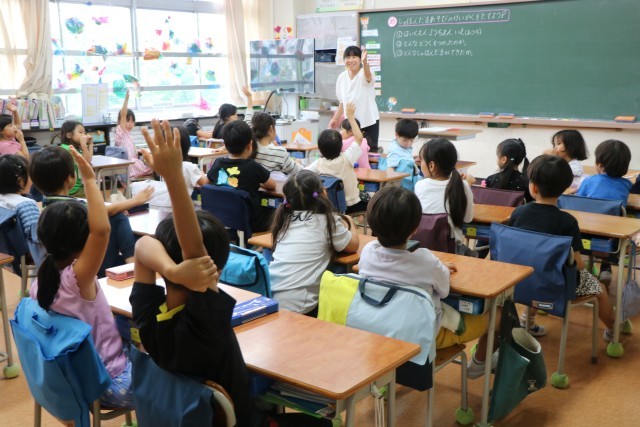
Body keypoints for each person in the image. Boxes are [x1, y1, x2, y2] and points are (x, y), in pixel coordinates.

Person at [130, 120, 331, 427]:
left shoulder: (149, 318)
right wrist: (173, 177)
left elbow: (143, 246)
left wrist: (172, 270)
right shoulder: (204, 322)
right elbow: (193, 249)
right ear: (217, 270)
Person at [29, 146, 133, 408]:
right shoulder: (76, 279)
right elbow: (102, 230)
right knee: (172, 366)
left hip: (67, 378)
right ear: (84, 239)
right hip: (108, 382)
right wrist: (89, 180)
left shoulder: (40, 281)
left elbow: (97, 231)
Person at [358, 186, 487, 351]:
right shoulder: (426, 261)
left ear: (371, 223)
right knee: (496, 315)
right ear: (415, 228)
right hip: (421, 337)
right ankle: (480, 361)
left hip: (378, 329)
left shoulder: (368, 251)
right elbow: (444, 290)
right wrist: (440, 267)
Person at [509, 155, 615, 339]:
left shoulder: (518, 212)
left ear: (533, 187)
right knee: (599, 289)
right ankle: (613, 330)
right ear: (565, 188)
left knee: (539, 267)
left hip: (520, 279)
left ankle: (527, 320)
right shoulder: (567, 221)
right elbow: (579, 265)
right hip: (557, 285)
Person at [29, 146, 153, 276]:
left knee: (123, 239)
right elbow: (103, 211)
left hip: (70, 266)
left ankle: (130, 264)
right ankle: (132, 265)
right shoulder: (71, 209)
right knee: (118, 218)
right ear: (69, 178)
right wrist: (135, 201)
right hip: (87, 268)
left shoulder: (47, 207)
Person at [269, 170, 358, 316]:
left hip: (271, 295)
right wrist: (349, 221)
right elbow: (353, 245)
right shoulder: (327, 221)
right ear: (323, 193)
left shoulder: (284, 219)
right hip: (301, 306)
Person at [576, 139, 632, 286]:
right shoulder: (626, 184)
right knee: (612, 226)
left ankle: (581, 270)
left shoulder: (589, 181)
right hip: (612, 239)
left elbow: (577, 201)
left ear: (600, 165)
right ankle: (606, 267)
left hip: (583, 236)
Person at [206, 120, 276, 232]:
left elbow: (206, 182)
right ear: (250, 145)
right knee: (274, 211)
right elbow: (272, 185)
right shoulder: (252, 166)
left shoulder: (218, 163)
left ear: (225, 146)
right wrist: (258, 182)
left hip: (224, 220)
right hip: (251, 223)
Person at [414, 138, 475, 256]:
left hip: (421, 247)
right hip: (451, 251)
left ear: (431, 165)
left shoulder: (419, 185)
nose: (420, 164)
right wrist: (468, 184)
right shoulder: (462, 185)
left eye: (421, 160)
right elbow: (468, 219)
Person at [306, 103, 368, 214]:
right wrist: (350, 117)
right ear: (341, 145)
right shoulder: (347, 158)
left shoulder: (319, 163)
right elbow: (359, 137)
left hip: (331, 205)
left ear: (320, 149)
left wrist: (329, 128)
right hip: (351, 205)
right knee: (371, 200)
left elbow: (302, 173)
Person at [131, 126, 208, 211]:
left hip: (165, 202)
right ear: (187, 145)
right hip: (181, 205)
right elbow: (204, 183)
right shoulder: (190, 167)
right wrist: (201, 173)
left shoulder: (164, 164)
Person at [329, 46, 381, 152]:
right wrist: (335, 119)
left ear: (360, 59)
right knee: (349, 153)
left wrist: (365, 62)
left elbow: (368, 77)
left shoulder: (365, 73)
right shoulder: (342, 77)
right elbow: (342, 102)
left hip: (368, 121)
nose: (351, 60)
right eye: (348, 57)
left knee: (369, 153)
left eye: (354, 57)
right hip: (350, 124)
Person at [0, 154, 43, 265]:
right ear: (20, 180)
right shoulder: (26, 204)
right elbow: (37, 238)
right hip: (26, 256)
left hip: (7, 253)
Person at [115, 90, 154, 178]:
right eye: (127, 121)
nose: (130, 124)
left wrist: (138, 151)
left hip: (132, 164)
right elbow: (123, 115)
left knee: (150, 164)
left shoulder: (128, 135)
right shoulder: (121, 131)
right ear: (120, 121)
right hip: (128, 165)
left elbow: (132, 150)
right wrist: (126, 99)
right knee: (152, 167)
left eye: (132, 122)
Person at [57, 120, 94, 197]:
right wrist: (84, 145)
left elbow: (89, 159)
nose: (83, 135)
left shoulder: (74, 148)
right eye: (80, 132)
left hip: (78, 186)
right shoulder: (68, 149)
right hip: (74, 189)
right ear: (69, 135)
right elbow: (86, 162)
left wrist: (90, 144)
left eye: (84, 133)